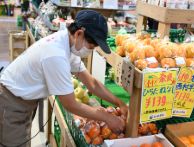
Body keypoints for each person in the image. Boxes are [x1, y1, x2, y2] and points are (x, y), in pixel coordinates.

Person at [0, 10, 128, 147]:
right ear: (79, 34)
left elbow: (92, 83)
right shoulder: (56, 54)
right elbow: (70, 104)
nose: (90, 51)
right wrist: (107, 117)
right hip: (11, 101)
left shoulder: (67, 42)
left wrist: (118, 102)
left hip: (22, 99)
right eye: (91, 47)